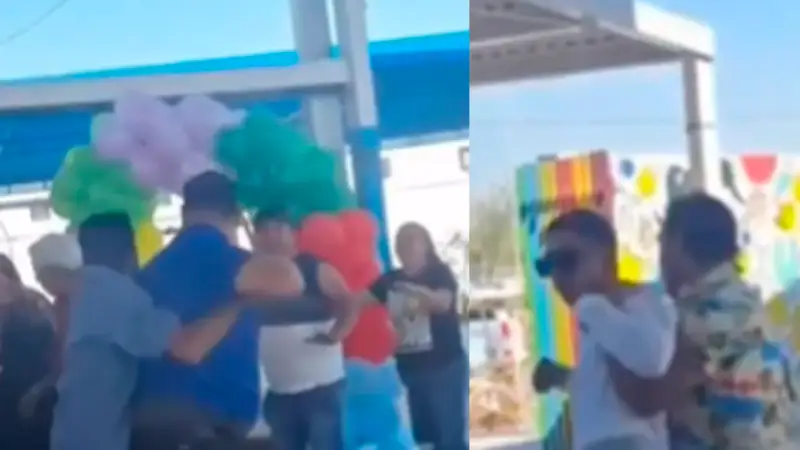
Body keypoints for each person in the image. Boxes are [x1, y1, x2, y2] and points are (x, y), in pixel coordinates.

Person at [43, 215, 252, 450]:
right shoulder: (117, 294)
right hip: (97, 438)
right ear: (131, 252)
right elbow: (187, 348)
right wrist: (241, 302)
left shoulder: (77, 291)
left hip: (70, 431)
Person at [134, 172, 303, 449]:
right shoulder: (231, 261)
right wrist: (263, 254)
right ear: (235, 214)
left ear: (184, 212)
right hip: (211, 419)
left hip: (146, 415)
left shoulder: (151, 270)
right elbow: (290, 280)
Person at [532, 209, 677, 450]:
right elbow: (607, 396)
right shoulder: (600, 316)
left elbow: (651, 359)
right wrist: (564, 377)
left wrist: (591, 308)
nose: (557, 276)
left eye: (567, 261)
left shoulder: (640, 302)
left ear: (606, 258)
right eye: (547, 266)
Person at [657, 193, 794, 450]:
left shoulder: (694, 319)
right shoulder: (752, 306)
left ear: (677, 244)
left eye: (662, 242)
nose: (660, 257)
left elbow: (652, 397)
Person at [251, 207, 359, 450]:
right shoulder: (255, 273)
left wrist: (337, 333)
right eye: (264, 230)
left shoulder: (313, 268)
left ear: (293, 234)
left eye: (278, 228)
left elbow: (348, 301)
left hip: (321, 386)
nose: (272, 235)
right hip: (279, 388)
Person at [368, 222, 467, 450]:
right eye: (401, 240)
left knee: (448, 435)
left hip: (444, 366)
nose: (406, 245)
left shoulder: (439, 273)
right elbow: (360, 300)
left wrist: (417, 291)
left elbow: (443, 302)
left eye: (413, 239)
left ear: (425, 245)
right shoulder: (390, 280)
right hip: (410, 368)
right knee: (424, 436)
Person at [0, 254, 55, 450]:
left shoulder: (35, 304)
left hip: (38, 396)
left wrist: (37, 391)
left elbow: (60, 355)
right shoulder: (34, 302)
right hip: (13, 399)